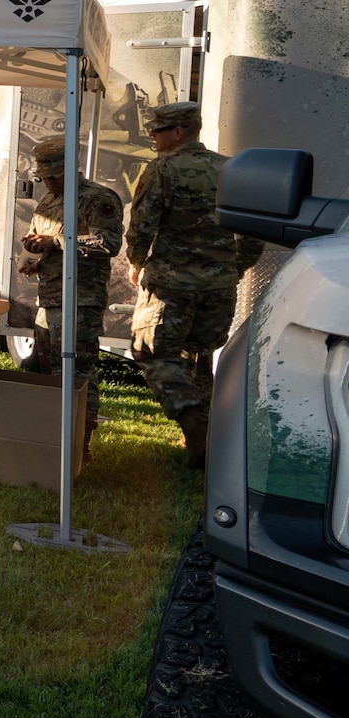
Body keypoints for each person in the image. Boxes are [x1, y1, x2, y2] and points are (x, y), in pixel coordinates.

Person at [124, 100, 262, 468]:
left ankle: (194, 427)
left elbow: (141, 228)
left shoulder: (162, 170)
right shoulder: (232, 170)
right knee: (199, 358)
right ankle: (204, 449)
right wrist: (233, 269)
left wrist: (137, 264)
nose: (153, 136)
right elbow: (253, 232)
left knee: (151, 351)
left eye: (157, 130)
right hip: (219, 286)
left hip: (171, 285)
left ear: (178, 132)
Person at [17, 135, 122, 454]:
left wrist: (58, 243)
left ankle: (81, 445)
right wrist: (35, 257)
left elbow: (109, 244)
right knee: (50, 375)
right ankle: (54, 441)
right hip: (47, 303)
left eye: (53, 175)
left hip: (80, 304)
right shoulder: (47, 203)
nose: (47, 182)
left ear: (68, 170)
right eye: (43, 176)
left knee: (78, 375)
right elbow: (46, 243)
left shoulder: (97, 199)